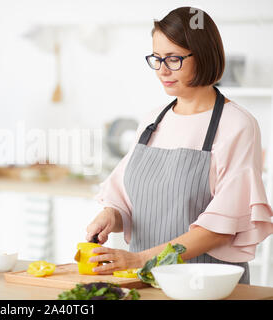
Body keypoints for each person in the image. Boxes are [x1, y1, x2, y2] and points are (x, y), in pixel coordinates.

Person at [86, 7, 273, 284]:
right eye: (157, 58)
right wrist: (110, 215)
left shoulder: (237, 125)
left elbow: (221, 228)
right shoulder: (152, 121)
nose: (162, 70)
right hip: (146, 284)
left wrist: (140, 259)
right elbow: (126, 198)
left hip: (206, 286)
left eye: (173, 59)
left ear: (204, 54)